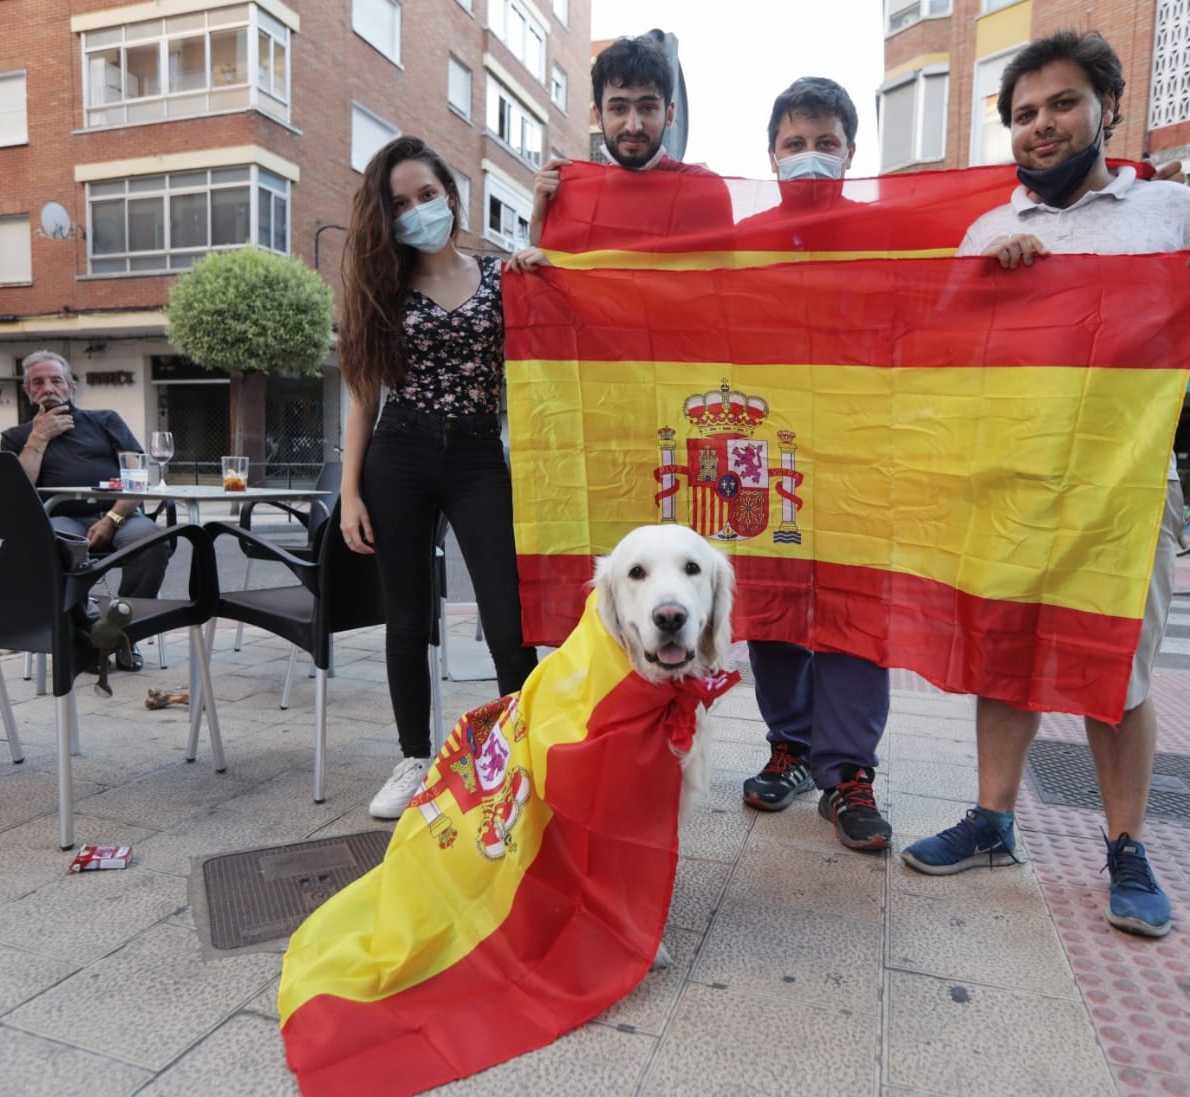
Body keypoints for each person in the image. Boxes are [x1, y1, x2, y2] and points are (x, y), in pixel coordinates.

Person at [899, 31, 1190, 937]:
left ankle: (1127, 846)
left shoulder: (1173, 210)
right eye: (1023, 114)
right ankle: (991, 819)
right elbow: (945, 350)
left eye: (1061, 104)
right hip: (1011, 475)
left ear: (1104, 106)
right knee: (1003, 651)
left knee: (1118, 669)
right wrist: (988, 285)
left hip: (1124, 484)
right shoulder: (990, 229)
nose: (1042, 125)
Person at [337, 135, 542, 820]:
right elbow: (364, 392)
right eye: (400, 203)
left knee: (508, 615)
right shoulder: (383, 290)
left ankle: (522, 746)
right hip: (400, 453)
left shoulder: (499, 276)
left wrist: (537, 236)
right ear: (386, 218)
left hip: (481, 454)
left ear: (451, 195)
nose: (418, 210)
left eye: (427, 194)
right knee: (406, 615)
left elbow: (547, 338)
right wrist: (348, 493)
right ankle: (412, 758)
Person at [736, 78, 894, 853]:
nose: (807, 157)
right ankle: (790, 746)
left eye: (823, 143)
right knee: (771, 612)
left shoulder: (892, 238)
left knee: (857, 616)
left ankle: (848, 774)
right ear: (770, 156)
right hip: (765, 457)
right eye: (793, 144)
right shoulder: (739, 245)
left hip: (863, 457)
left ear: (850, 153)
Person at [0, 350, 168, 670]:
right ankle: (84, 633)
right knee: (50, 546)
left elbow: (137, 478)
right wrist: (39, 436)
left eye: (56, 380)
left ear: (72, 387)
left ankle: (122, 633)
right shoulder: (16, 437)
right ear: (27, 391)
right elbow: (18, 491)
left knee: (152, 543)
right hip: (62, 518)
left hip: (120, 514)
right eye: (38, 382)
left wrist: (111, 519)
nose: (48, 387)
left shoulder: (105, 420)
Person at [528, 34, 733, 245]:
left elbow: (725, 276)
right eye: (618, 109)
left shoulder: (705, 192)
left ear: (669, 114)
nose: (633, 126)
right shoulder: (570, 197)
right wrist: (538, 228)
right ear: (598, 116)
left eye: (647, 108)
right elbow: (557, 275)